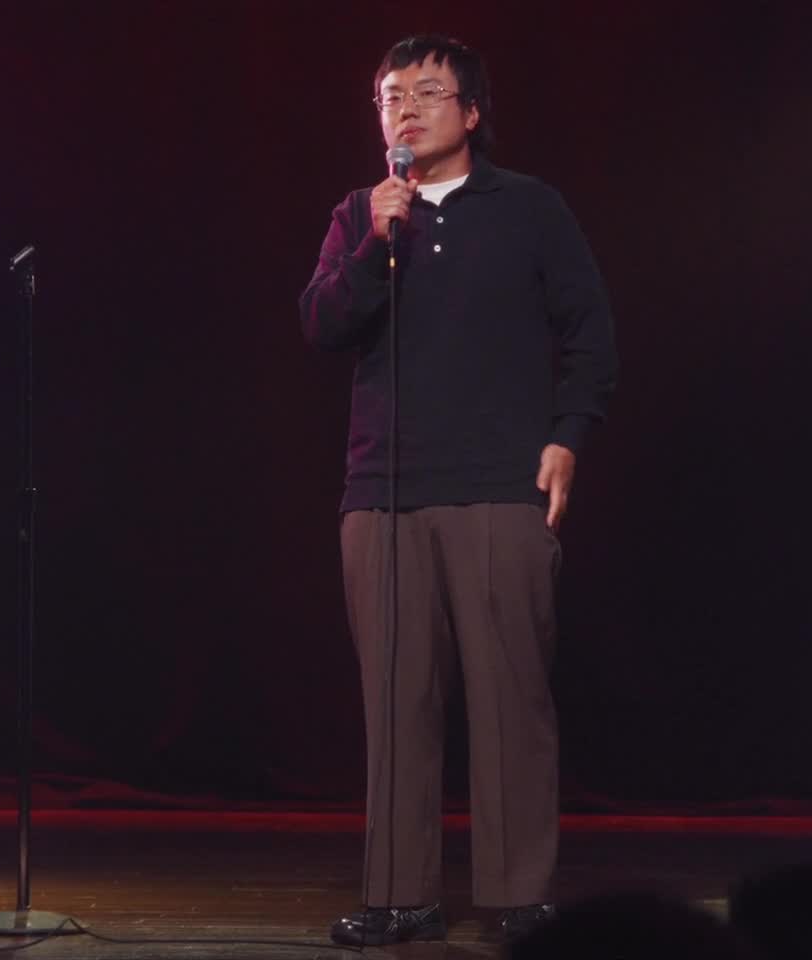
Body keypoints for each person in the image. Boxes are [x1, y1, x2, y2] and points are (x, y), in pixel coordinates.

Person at [298, 34, 620, 947]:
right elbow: (322, 324)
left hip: (497, 485)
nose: (405, 109)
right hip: (382, 488)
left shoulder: (528, 208)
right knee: (396, 699)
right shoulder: (360, 214)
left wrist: (567, 436)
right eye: (390, 96)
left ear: (472, 112)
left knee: (509, 695)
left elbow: (590, 331)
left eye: (428, 93)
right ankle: (400, 894)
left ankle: (518, 897)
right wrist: (375, 242)